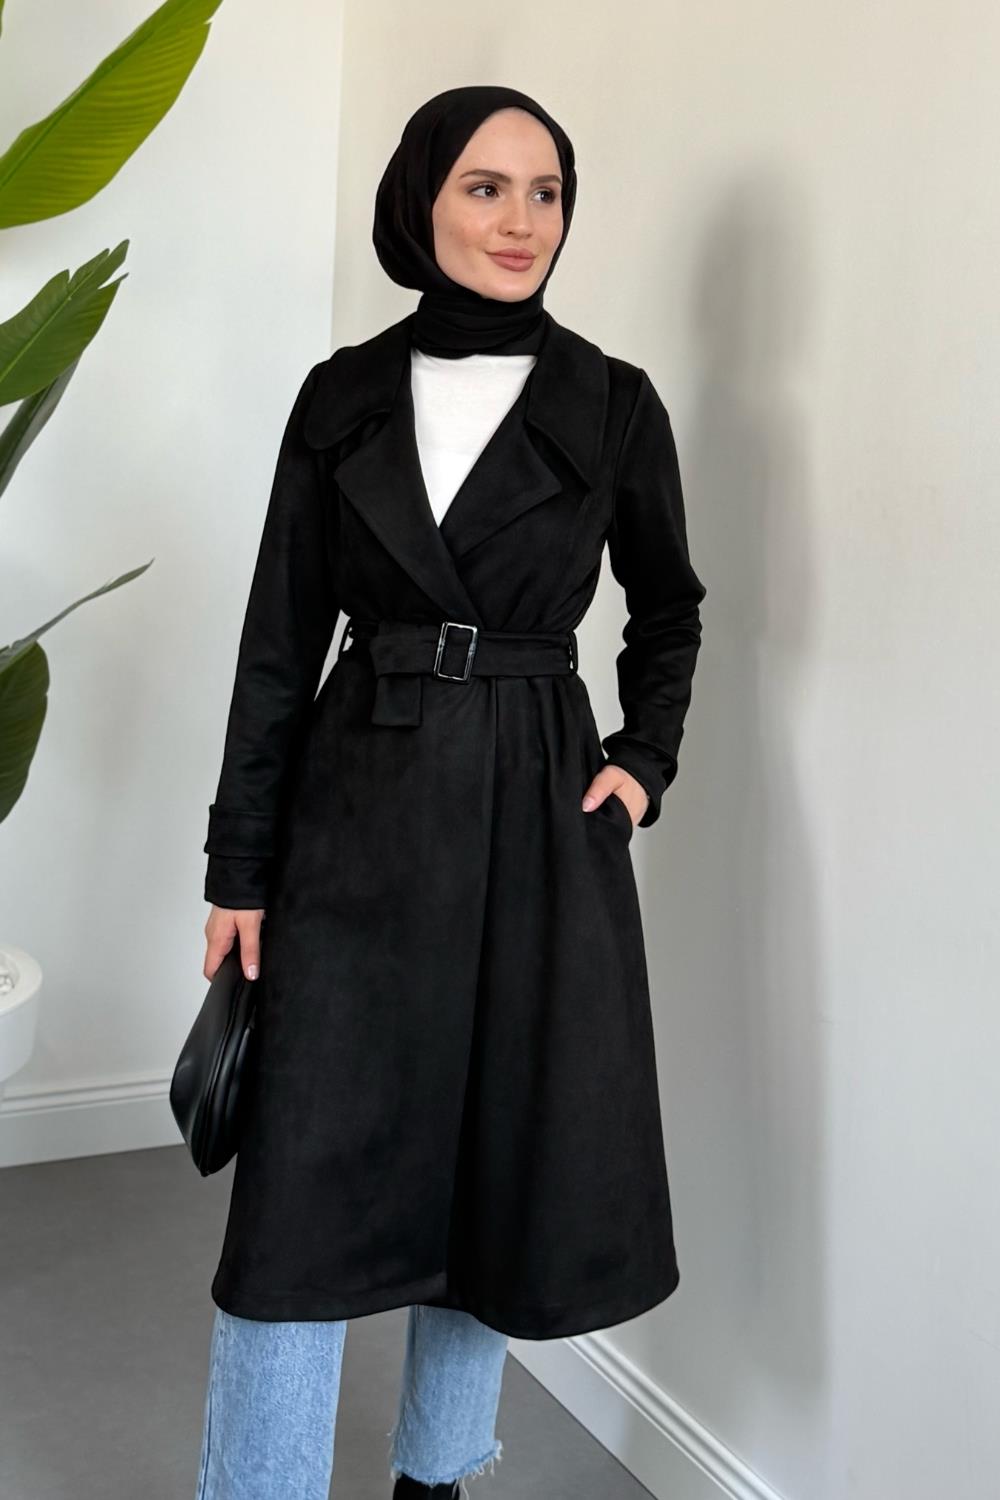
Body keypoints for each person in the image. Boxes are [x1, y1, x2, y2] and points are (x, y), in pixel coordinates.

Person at [195, 84, 707, 1499]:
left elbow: (669, 609)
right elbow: (279, 641)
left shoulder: (613, 403)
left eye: (547, 192)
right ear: (422, 202)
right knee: (297, 1193)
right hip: (357, 805)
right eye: (487, 187)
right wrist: (239, 868)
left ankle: (437, 1478)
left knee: (497, 1165)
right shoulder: (340, 396)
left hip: (541, 814)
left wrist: (643, 762)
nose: (521, 220)